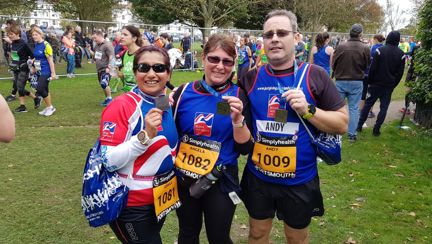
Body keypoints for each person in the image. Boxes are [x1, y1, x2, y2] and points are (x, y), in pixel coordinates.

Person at [238, 9, 348, 243]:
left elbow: (342, 124)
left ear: (296, 38)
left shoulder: (315, 75)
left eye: (281, 32)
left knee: (296, 239)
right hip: (259, 177)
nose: (274, 38)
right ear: (263, 41)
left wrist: (309, 110)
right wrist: (184, 95)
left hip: (299, 180)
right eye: (268, 35)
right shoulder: (251, 77)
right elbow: (227, 108)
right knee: (257, 234)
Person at [172, 33, 253, 244]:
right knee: (187, 233)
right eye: (214, 59)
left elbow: (245, 149)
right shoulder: (183, 93)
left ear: (234, 64)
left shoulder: (239, 96)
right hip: (185, 178)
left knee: (218, 237)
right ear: (203, 59)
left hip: (221, 180)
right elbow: (169, 136)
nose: (220, 66)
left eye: (227, 61)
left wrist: (237, 120)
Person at [100, 45, 180, 243]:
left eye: (159, 68)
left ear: (168, 74)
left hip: (161, 198)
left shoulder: (162, 101)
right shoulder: (122, 105)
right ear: (135, 72)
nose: (151, 74)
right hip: (131, 205)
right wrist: (144, 136)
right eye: (144, 68)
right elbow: (108, 160)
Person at [356, 31, 406, 136]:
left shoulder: (381, 51)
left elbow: (373, 69)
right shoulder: (399, 54)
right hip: (387, 85)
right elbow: (399, 74)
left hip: (376, 84)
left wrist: (370, 82)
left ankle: (360, 126)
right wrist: (393, 84)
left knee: (368, 104)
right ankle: (375, 129)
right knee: (383, 107)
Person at [332, 23, 370, 142]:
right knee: (353, 109)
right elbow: (367, 64)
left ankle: (335, 131)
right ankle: (351, 135)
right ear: (360, 34)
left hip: (343, 80)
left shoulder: (341, 46)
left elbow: (334, 63)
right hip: (355, 80)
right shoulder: (365, 47)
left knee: (337, 107)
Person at [6, 24, 40, 113]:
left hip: (24, 68)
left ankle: (23, 106)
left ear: (17, 34)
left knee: (20, 87)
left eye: (11, 34)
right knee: (18, 87)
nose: (10, 35)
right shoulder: (13, 42)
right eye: (9, 34)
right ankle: (34, 99)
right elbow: (14, 55)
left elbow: (33, 56)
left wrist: (33, 67)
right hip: (15, 68)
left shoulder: (24, 44)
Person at [30, 27, 57, 116]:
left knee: (40, 88)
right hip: (39, 71)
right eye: (33, 35)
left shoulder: (46, 45)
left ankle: (51, 107)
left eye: (36, 35)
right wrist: (33, 66)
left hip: (46, 71)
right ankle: (48, 107)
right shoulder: (37, 44)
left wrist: (53, 73)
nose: (34, 36)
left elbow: (50, 60)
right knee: (45, 89)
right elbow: (37, 57)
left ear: (41, 35)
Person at [361, 34, 385, 121]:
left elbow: (367, 60)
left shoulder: (372, 48)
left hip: (367, 73)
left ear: (375, 39)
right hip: (376, 75)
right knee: (371, 93)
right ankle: (369, 111)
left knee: (364, 93)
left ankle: (362, 111)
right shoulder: (383, 48)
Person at [86, 30, 114, 106]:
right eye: (93, 39)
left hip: (106, 68)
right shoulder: (97, 46)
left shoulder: (107, 45)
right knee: (103, 85)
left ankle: (110, 99)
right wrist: (89, 50)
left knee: (104, 83)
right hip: (99, 69)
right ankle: (107, 99)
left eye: (95, 38)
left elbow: (112, 57)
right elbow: (95, 56)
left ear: (100, 36)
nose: (94, 40)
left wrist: (109, 67)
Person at [119, 25, 143, 92]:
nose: (122, 37)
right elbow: (126, 81)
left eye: (125, 35)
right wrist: (121, 76)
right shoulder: (124, 54)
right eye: (121, 34)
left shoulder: (142, 54)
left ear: (134, 38)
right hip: (128, 94)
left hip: (142, 95)